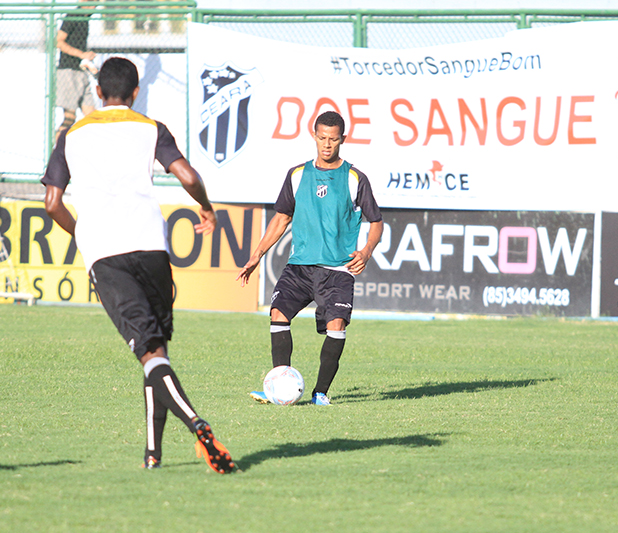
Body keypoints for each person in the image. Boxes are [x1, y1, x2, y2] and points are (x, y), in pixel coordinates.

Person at [42, 57, 235, 473]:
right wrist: (205, 207)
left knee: (149, 353)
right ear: (134, 93)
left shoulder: (71, 135)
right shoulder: (151, 127)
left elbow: (52, 203)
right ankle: (153, 455)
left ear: (97, 92)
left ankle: (198, 425)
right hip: (151, 247)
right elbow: (185, 174)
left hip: (105, 253)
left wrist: (82, 233)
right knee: (157, 350)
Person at [236, 111, 384, 406]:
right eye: (322, 138)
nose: (327, 145)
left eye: (333, 139)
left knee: (336, 325)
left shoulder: (355, 178)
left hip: (337, 269)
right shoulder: (297, 175)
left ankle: (320, 393)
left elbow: (376, 222)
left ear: (343, 139)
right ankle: (278, 385)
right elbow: (280, 220)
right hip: (299, 266)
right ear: (313, 136)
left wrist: (366, 252)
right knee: (278, 314)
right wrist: (256, 256)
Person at [55, 0, 99, 143]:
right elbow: (59, 41)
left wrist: (87, 62)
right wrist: (81, 55)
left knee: (92, 117)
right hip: (68, 72)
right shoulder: (73, 15)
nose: (95, 5)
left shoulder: (86, 19)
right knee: (69, 118)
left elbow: (80, 50)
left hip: (80, 72)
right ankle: (55, 154)